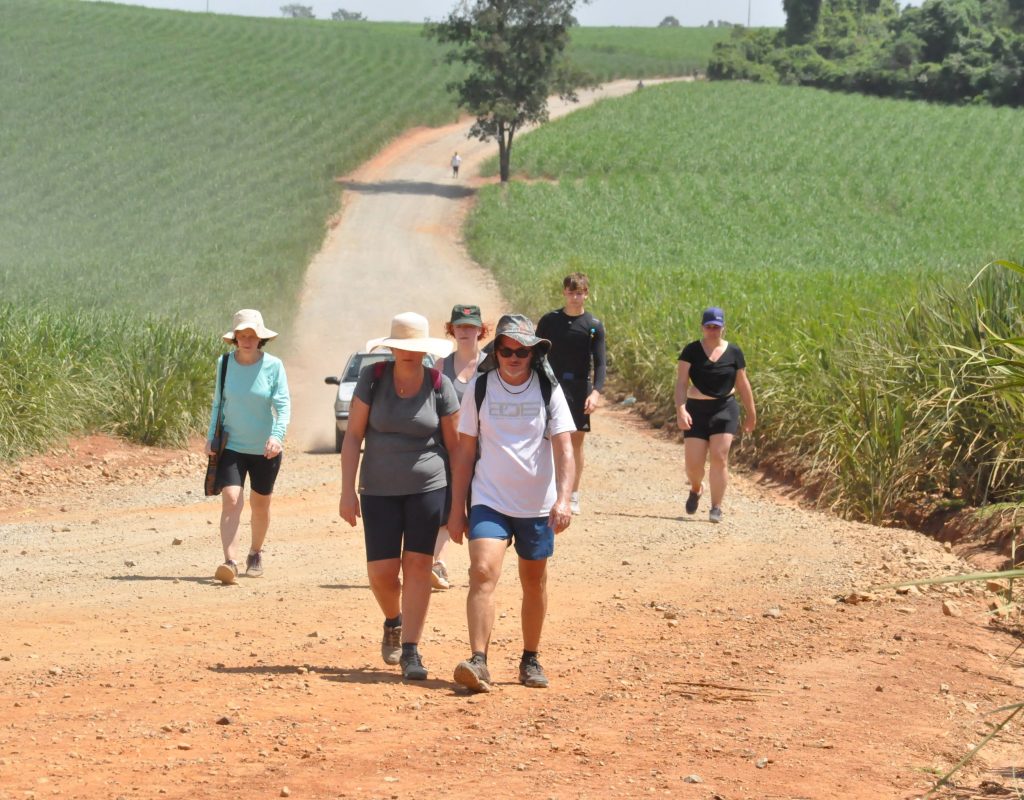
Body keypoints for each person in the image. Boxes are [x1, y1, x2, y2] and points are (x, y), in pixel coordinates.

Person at [447, 314, 576, 693]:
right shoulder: (481, 388)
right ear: (497, 351)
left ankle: (530, 657)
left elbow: (565, 448)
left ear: (534, 352)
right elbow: (465, 451)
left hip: (537, 505)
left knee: (533, 581)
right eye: (507, 350)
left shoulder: (548, 388)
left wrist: (565, 499)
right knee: (482, 571)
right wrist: (457, 509)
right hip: (490, 499)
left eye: (522, 351)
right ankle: (478, 659)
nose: (514, 357)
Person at [339, 312, 459, 681]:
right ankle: (394, 619)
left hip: (428, 486)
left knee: (419, 567)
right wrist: (347, 490)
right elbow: (353, 436)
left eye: (416, 348)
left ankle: (411, 649)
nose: (409, 354)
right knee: (382, 574)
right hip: (378, 488)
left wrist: (458, 502)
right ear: (391, 348)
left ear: (425, 350)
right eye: (402, 347)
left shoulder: (439, 384)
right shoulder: (372, 379)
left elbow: (455, 447)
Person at [207, 309, 291, 585]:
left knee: (260, 505)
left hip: (265, 449)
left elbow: (282, 405)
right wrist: (211, 437)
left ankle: (255, 552)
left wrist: (277, 436)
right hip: (232, 445)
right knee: (231, 499)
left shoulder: (273, 365)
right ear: (235, 339)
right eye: (242, 335)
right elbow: (218, 403)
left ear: (260, 339)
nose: (246, 340)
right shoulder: (224, 363)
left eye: (251, 335)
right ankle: (229, 561)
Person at [675, 307, 756, 524]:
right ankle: (696, 488)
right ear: (702, 327)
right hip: (696, 411)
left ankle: (716, 507)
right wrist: (681, 409)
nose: (713, 331)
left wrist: (751, 413)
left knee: (720, 458)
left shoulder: (734, 352)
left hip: (725, 410)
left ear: (723, 328)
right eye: (709, 326)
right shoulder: (691, 351)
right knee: (693, 466)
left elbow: (742, 383)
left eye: (717, 327)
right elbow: (682, 382)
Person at [431, 304, 492, 591]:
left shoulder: (492, 364)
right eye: (460, 326)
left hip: (487, 451)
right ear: (451, 329)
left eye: (471, 326)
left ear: (481, 329)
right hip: (450, 451)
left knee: (480, 508)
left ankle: (479, 567)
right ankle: (436, 564)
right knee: (447, 508)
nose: (465, 331)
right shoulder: (440, 366)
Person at [536, 272, 607, 515]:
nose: (575, 297)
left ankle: (572, 493)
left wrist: (596, 392)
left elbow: (600, 363)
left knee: (575, 442)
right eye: (571, 292)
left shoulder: (594, 326)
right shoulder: (549, 321)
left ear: (586, 294)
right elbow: (538, 353)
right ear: (564, 293)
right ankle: (546, 490)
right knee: (545, 437)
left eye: (580, 292)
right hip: (551, 385)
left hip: (579, 387)